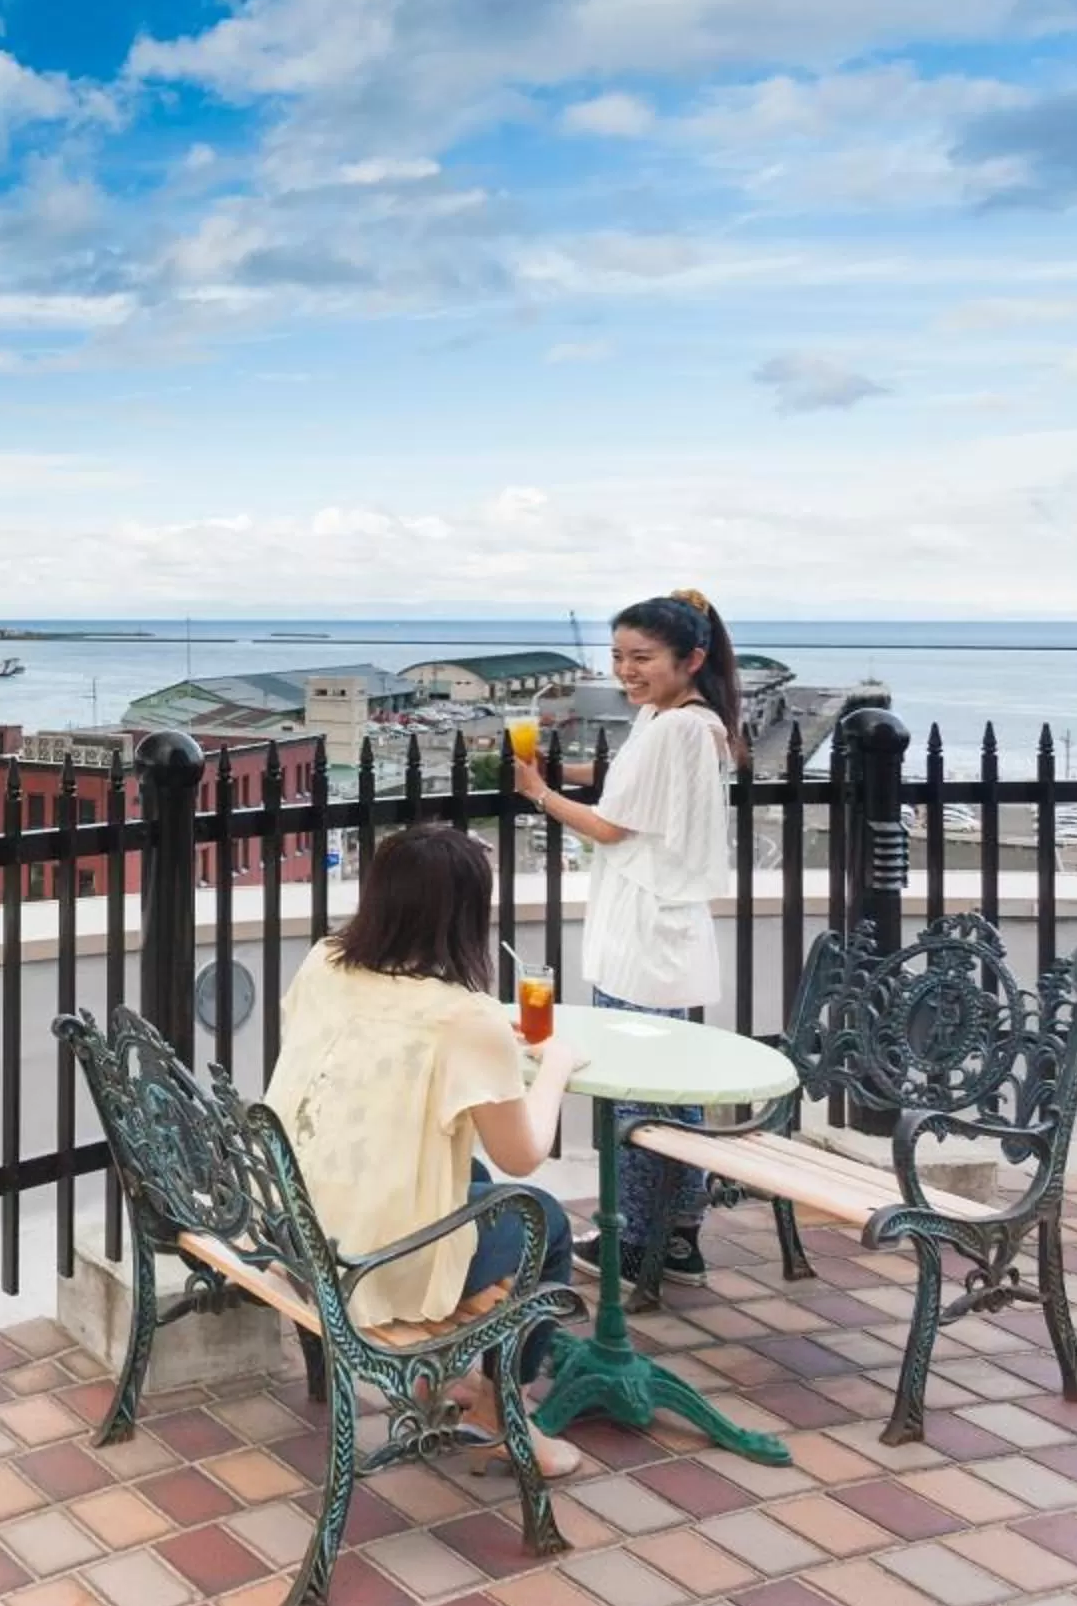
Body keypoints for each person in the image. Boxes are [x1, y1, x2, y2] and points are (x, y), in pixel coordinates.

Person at [264, 824, 588, 1476]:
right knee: (543, 1219)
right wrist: (555, 1066)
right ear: (467, 916)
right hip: (366, 1264)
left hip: (288, 1230)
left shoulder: (325, 961)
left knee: (462, 1170)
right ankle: (503, 1412)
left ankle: (435, 1380)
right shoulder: (465, 1022)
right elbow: (525, 1154)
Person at [513, 590, 740, 1280]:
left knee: (639, 1092)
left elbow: (612, 826)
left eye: (641, 657)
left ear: (690, 658)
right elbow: (630, 788)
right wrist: (565, 773)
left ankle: (638, 1238)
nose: (626, 670)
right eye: (618, 656)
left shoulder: (675, 728)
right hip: (661, 926)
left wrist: (539, 794)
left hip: (646, 929)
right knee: (673, 1086)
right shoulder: (682, 720)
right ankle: (679, 1235)